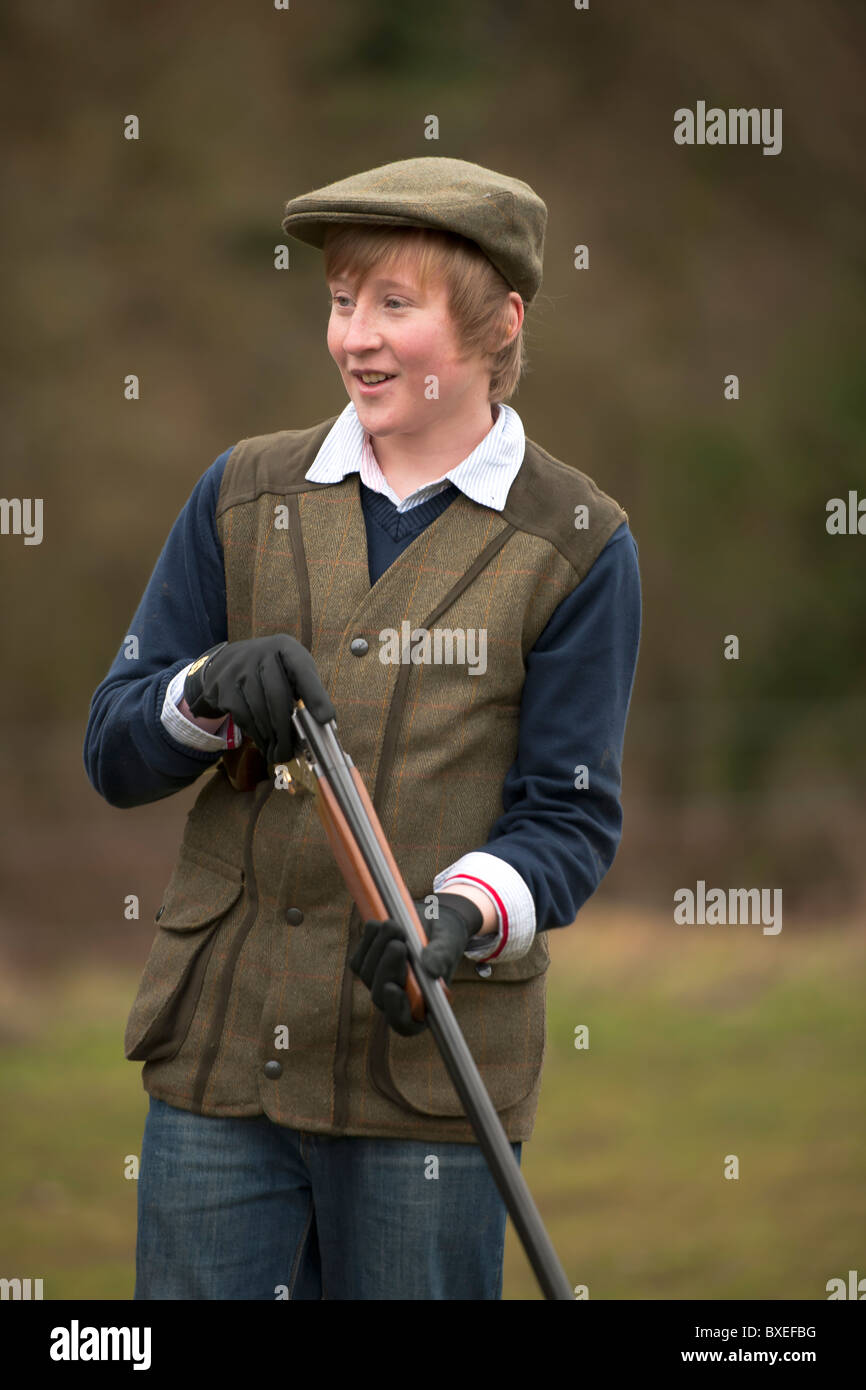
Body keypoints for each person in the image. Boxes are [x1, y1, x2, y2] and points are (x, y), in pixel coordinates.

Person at [83, 155, 642, 1300]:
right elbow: (114, 746)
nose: (354, 337)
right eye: (341, 300)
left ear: (498, 322)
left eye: (394, 303)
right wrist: (200, 693)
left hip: (430, 1085)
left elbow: (568, 817)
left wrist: (458, 913)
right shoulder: (240, 492)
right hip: (216, 1074)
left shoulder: (580, 541)